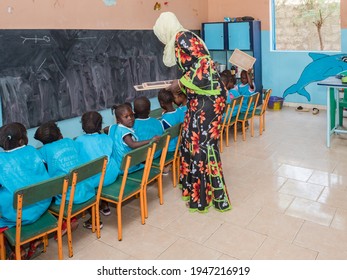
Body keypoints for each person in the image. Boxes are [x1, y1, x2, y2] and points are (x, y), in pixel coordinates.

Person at [153, 11, 231, 213]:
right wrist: (181, 84)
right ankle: (195, 192)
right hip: (201, 97)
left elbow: (204, 67)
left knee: (200, 146)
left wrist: (178, 83)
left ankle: (204, 198)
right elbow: (196, 69)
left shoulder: (182, 37)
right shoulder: (182, 38)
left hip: (209, 99)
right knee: (189, 139)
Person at [0, 122, 51, 259]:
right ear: (22, 140)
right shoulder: (32, 151)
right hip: (41, 205)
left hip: (16, 214)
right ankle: (34, 240)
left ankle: (15, 250)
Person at [34, 121, 94, 230]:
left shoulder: (43, 151)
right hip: (88, 190)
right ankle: (71, 220)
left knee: (47, 192)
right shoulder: (70, 141)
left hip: (68, 198)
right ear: (59, 134)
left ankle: (65, 222)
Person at [75, 111, 120, 219]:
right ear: (100, 125)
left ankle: (94, 214)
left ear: (82, 126)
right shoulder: (106, 138)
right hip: (112, 175)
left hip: (95, 181)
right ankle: (104, 205)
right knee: (103, 167)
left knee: (82, 178)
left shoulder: (78, 141)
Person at [108, 103, 160, 173]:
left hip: (124, 164)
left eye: (132, 115)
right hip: (127, 167)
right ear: (118, 120)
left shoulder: (122, 128)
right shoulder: (124, 133)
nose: (130, 118)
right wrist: (151, 140)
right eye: (126, 117)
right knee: (147, 161)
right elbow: (133, 144)